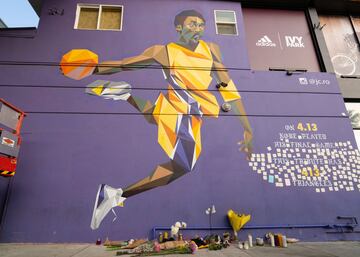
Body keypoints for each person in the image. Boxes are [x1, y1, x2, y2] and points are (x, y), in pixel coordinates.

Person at [61, 10, 253, 229]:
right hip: (179, 109)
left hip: (195, 114)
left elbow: (229, 88)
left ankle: (126, 96)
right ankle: (114, 195)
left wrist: (247, 128)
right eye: (192, 24)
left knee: (165, 139)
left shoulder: (211, 49)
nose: (198, 29)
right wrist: (93, 68)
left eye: (201, 25)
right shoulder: (164, 52)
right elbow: (125, 64)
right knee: (183, 165)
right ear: (179, 28)